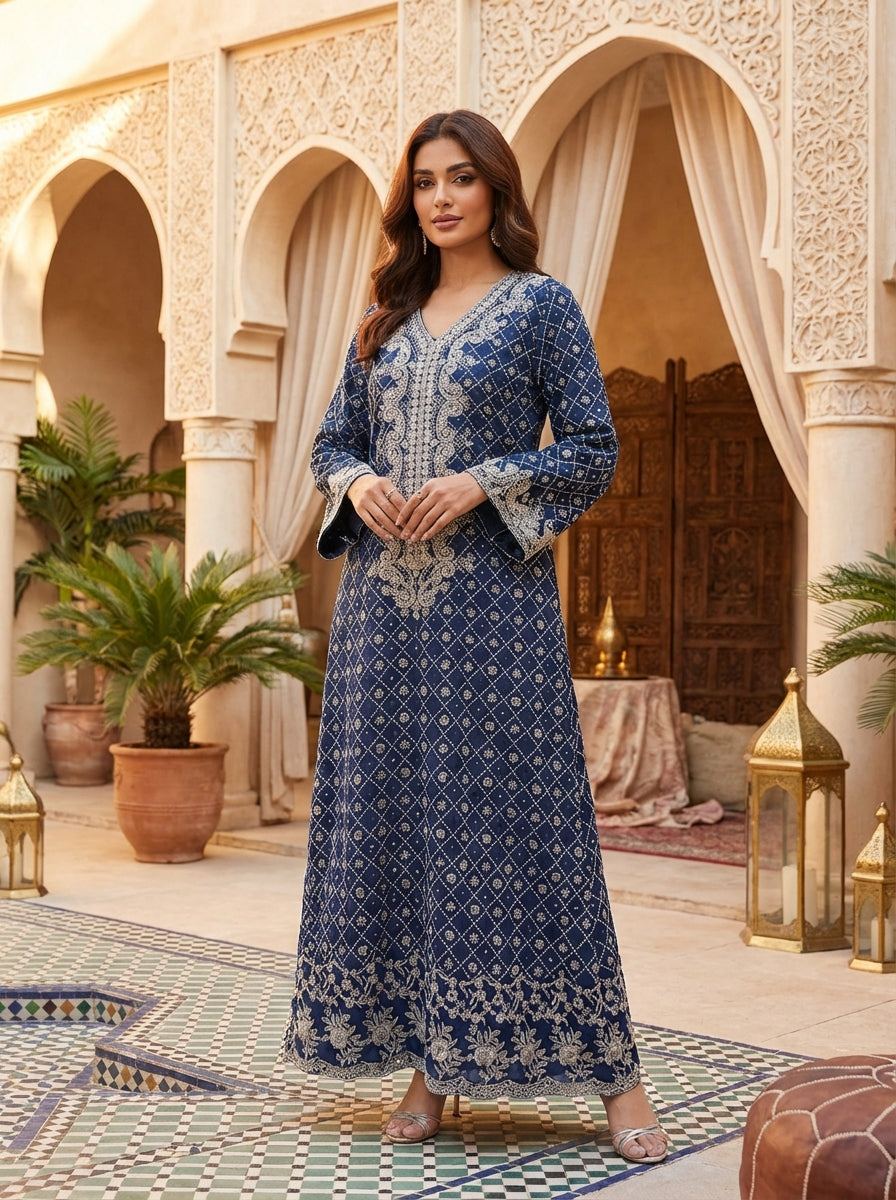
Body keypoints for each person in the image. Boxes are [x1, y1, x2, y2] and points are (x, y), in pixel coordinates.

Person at [282, 109, 668, 1165]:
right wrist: (356, 479)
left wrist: (481, 481)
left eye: (460, 179)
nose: (441, 198)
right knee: (401, 834)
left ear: (495, 190)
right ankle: (427, 1069)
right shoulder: (382, 316)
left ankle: (612, 1075)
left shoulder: (539, 308)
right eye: (423, 183)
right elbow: (329, 441)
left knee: (521, 831)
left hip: (490, 613)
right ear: (407, 200)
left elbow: (592, 448)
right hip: (379, 621)